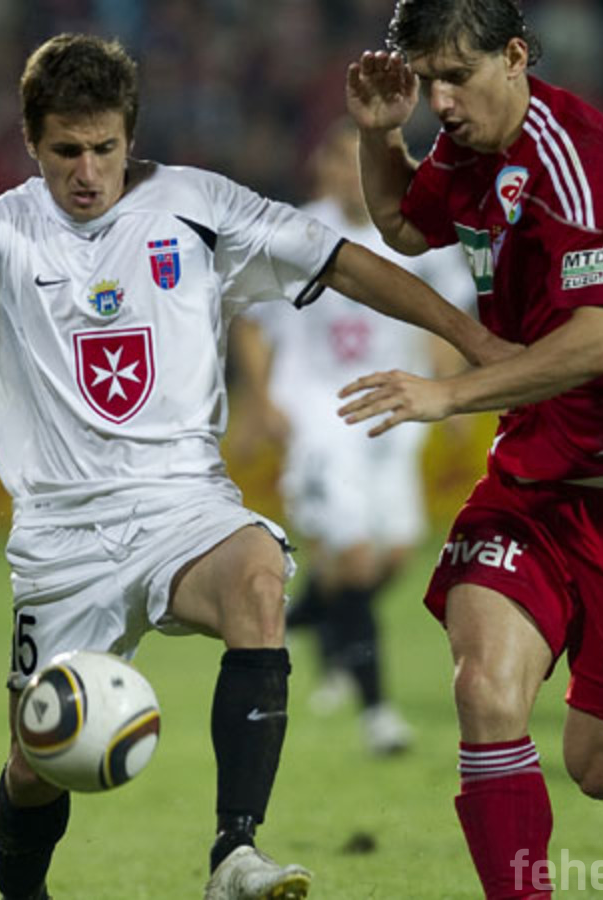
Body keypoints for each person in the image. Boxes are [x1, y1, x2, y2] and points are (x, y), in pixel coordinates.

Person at [0, 33, 511, 900]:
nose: (87, 172)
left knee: (258, 580)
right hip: (62, 540)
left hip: (184, 506)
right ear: (31, 142)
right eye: (66, 151)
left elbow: (341, 263)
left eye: (104, 148)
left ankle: (235, 854)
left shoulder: (197, 204)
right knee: (37, 766)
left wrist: (473, 339)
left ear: (131, 136)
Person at [340, 2, 603, 897]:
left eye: (457, 77)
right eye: (428, 80)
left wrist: (449, 392)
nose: (440, 101)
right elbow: (406, 225)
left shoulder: (577, 162)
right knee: (484, 692)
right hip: (533, 473)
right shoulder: (472, 144)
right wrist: (380, 136)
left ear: (516, 56)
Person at [231, 118, 476, 756]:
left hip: (394, 411)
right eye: (340, 163)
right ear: (324, 170)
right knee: (357, 558)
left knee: (392, 557)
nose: (350, 176)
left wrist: (453, 393)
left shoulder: (420, 238)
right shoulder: (294, 234)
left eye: (360, 163)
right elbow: (251, 320)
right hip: (321, 413)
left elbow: (447, 318)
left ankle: (306, 623)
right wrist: (262, 401)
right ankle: (378, 716)